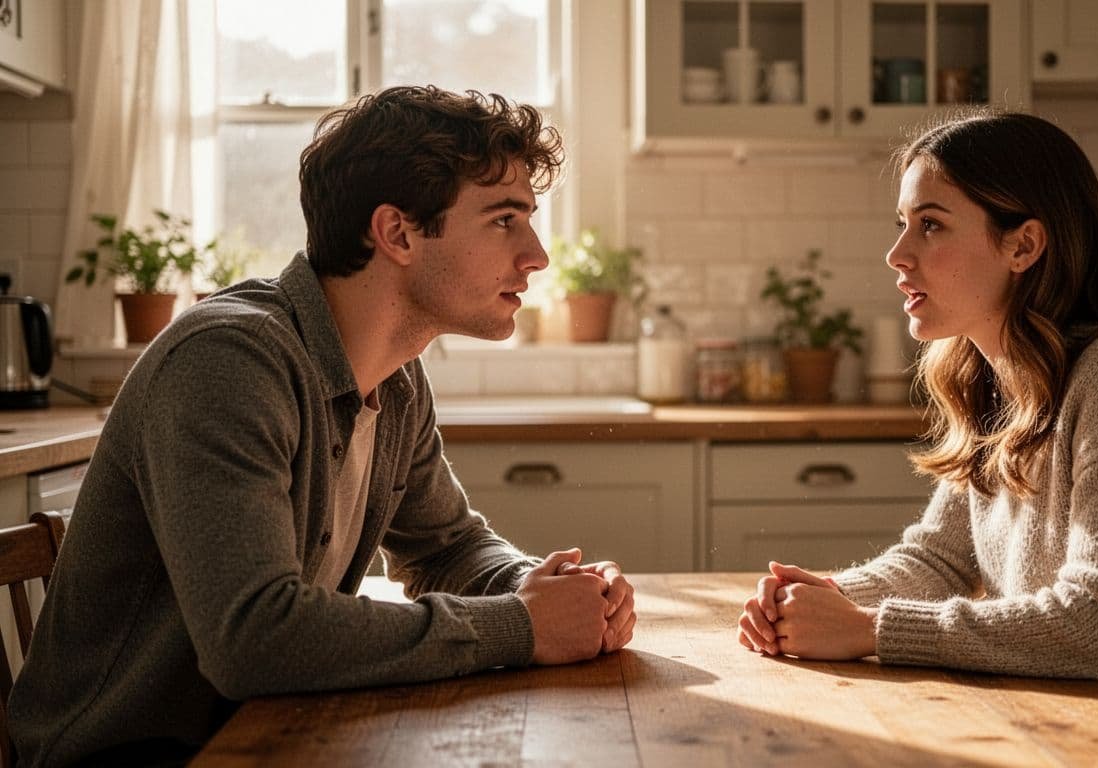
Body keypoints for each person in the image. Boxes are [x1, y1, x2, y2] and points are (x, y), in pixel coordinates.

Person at [9, 85, 636, 766]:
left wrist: (547, 589)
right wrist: (521, 626)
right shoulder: (227, 363)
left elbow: (447, 548)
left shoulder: (394, 378)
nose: (537, 255)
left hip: (266, 733)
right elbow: (254, 640)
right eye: (504, 220)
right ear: (397, 233)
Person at [735, 111, 1098, 763]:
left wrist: (870, 630)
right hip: (1065, 736)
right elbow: (938, 561)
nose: (897, 254)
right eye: (902, 223)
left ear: (1023, 246)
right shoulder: (996, 376)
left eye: (931, 225)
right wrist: (827, 599)